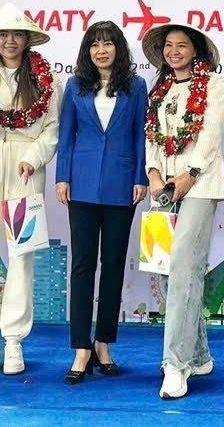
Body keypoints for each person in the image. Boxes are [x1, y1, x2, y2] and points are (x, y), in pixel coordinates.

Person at [0, 3, 62, 376]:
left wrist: (33, 158)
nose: (10, 41)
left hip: (25, 167)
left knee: (22, 252)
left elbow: (52, 129)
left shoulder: (46, 79)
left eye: (17, 34)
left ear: (27, 39)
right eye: (3, 34)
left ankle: (15, 338)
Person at [56, 21, 149, 384]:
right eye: (94, 44)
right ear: (87, 51)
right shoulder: (75, 86)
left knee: (113, 266)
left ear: (118, 49)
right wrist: (62, 176)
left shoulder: (136, 86)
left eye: (108, 44)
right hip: (80, 184)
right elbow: (67, 134)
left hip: (122, 184)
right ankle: (81, 348)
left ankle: (103, 343)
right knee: (82, 267)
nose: (101, 50)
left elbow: (140, 133)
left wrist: (140, 176)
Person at [142, 23, 224, 400]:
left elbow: (211, 134)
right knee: (170, 271)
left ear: (196, 51)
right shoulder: (159, 89)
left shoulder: (213, 85)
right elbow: (151, 136)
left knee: (183, 269)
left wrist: (189, 173)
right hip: (163, 188)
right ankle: (200, 355)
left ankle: (175, 365)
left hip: (200, 184)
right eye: (168, 46)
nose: (174, 51)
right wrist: (153, 173)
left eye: (182, 45)